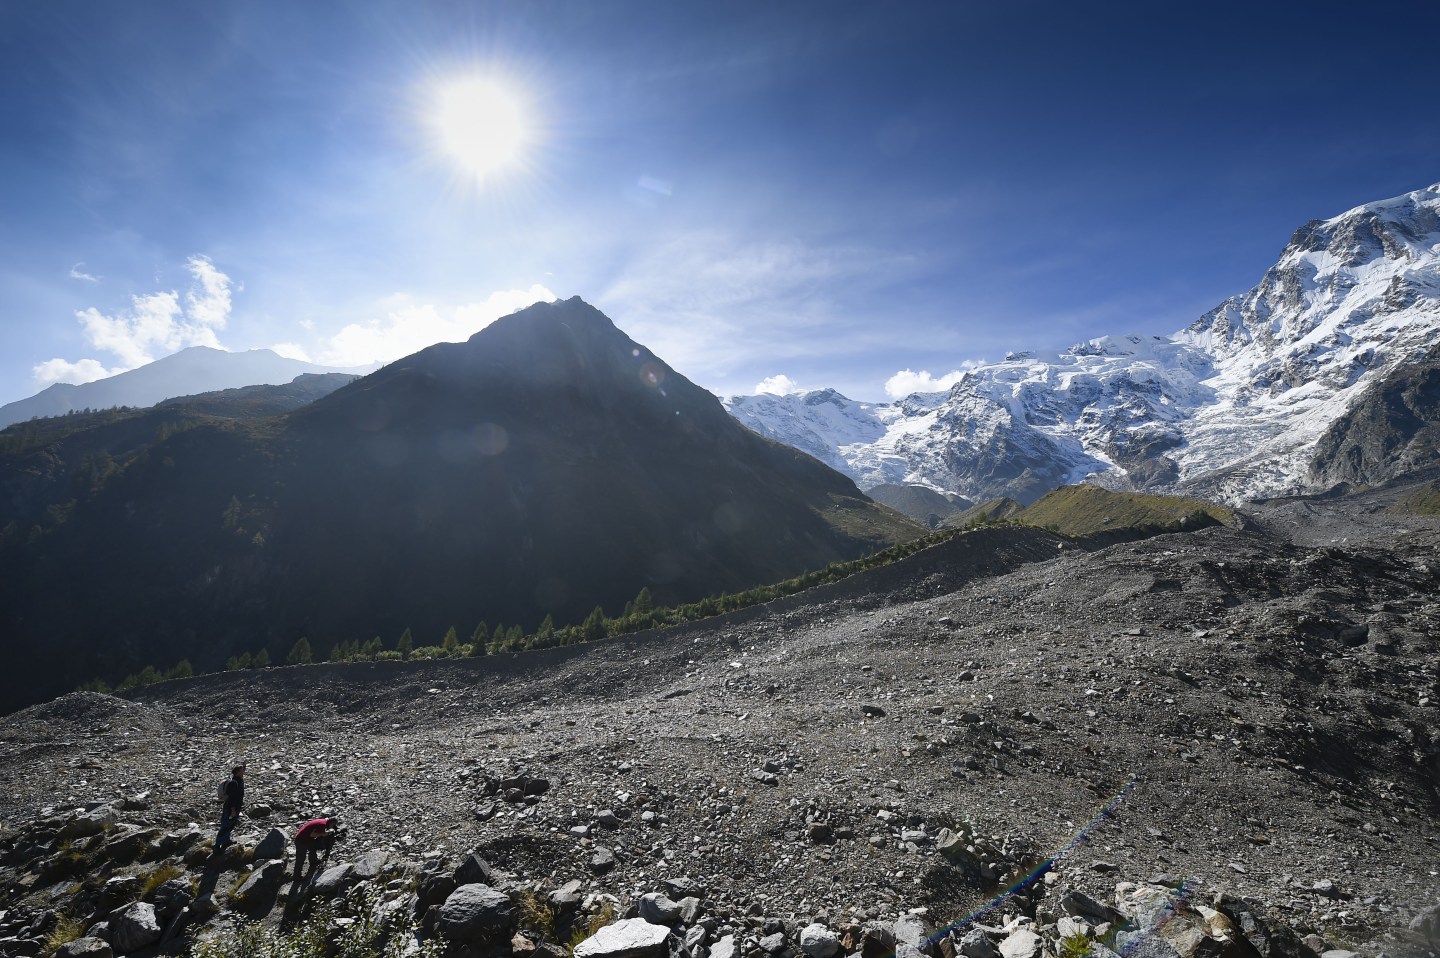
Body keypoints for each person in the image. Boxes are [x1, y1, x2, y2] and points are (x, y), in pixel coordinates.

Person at [292, 815, 341, 882]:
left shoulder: (323, 821)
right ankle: (296, 877)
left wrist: (324, 833)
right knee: (301, 858)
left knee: (313, 847)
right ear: (331, 823)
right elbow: (312, 835)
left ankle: (313, 861)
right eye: (333, 825)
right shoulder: (322, 824)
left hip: (306, 838)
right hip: (301, 840)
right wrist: (323, 834)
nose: (332, 827)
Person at [215, 763, 245, 850]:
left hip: (234, 808)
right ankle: (217, 845)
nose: (244, 771)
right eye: (242, 769)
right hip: (230, 808)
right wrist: (233, 809)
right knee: (225, 826)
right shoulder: (234, 783)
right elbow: (232, 797)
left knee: (230, 825)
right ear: (237, 772)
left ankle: (226, 841)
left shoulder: (239, 781)